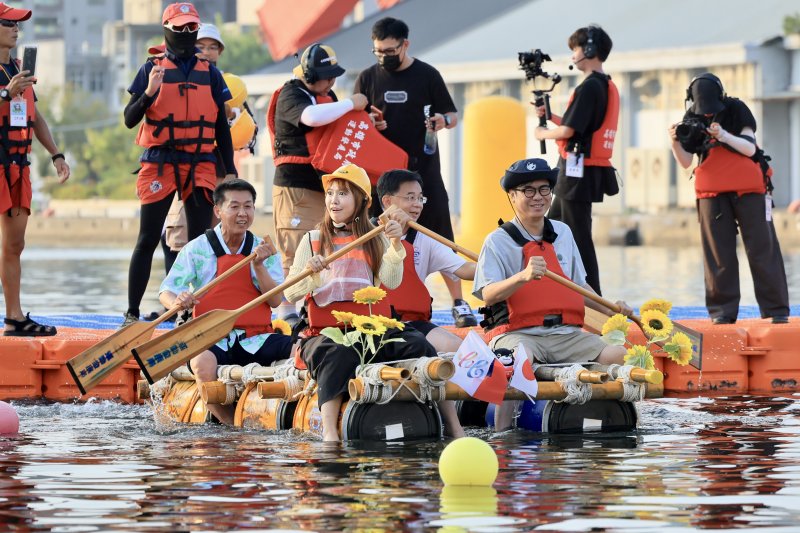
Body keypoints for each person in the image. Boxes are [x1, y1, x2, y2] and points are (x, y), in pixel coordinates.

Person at [473, 158, 632, 430]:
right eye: (528, 190)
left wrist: (612, 309)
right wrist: (522, 277)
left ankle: (617, 419)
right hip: (518, 334)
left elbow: (580, 288)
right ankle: (502, 434)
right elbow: (487, 294)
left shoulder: (563, 232)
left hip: (565, 335)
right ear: (512, 196)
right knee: (516, 361)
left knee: (618, 354)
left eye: (544, 189)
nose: (538, 197)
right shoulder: (496, 240)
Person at [284, 164, 437, 442]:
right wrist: (311, 273)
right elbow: (291, 294)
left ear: (362, 201)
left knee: (421, 345)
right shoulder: (312, 239)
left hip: (373, 329)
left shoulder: (374, 237)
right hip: (328, 334)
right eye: (330, 193)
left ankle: (450, 423)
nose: (333, 200)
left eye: (342, 194)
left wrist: (394, 244)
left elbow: (391, 282)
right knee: (340, 354)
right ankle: (330, 431)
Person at [354, 17, 478, 329]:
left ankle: (459, 302)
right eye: (379, 52)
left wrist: (442, 122)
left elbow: (453, 114)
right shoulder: (367, 78)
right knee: (380, 236)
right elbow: (356, 123)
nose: (385, 57)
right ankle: (378, 296)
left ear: (405, 45)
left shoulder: (427, 75)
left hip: (424, 171)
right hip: (382, 175)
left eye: (391, 50)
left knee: (441, 235)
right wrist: (373, 125)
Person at [122, 2, 236, 327]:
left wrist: (229, 172)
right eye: (180, 27)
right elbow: (130, 119)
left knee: (201, 240)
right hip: (160, 160)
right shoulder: (151, 69)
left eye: (192, 27)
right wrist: (148, 92)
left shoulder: (210, 73)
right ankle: (131, 314)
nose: (187, 33)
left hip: (200, 160)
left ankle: (196, 309)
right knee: (147, 237)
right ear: (167, 28)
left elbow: (221, 128)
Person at [159, 179, 292, 424]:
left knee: (299, 348)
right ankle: (230, 423)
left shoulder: (263, 249)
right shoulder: (196, 249)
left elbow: (275, 301)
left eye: (248, 206)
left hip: (257, 337)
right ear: (218, 210)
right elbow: (165, 292)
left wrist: (259, 266)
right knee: (202, 361)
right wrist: (178, 301)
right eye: (234, 206)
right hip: (211, 338)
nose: (243, 213)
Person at [668, 73, 789, 325]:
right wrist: (675, 142)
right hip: (712, 193)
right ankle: (722, 313)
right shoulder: (691, 117)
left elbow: (750, 148)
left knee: (761, 250)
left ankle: (776, 310)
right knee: (717, 255)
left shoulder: (737, 109)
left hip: (750, 191)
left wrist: (722, 135)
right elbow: (686, 162)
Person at [268, 42, 368, 326]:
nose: (332, 82)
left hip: (323, 186)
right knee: (294, 248)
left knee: (324, 247)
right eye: (327, 76)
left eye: (335, 76)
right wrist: (351, 103)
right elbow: (310, 118)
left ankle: (315, 306)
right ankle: (286, 314)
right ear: (310, 76)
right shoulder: (292, 94)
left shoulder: (326, 95)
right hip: (294, 187)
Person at [377, 169, 474, 437]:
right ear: (387, 201)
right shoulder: (366, 234)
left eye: (420, 198)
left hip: (413, 322)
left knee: (456, 347)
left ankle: (450, 420)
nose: (417, 205)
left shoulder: (425, 239)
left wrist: (502, 268)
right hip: (375, 323)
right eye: (409, 197)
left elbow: (463, 269)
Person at [0, 2, 70, 336]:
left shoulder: (18, 68)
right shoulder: (9, 80)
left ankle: (14, 318)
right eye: (9, 23)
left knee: (15, 245)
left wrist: (56, 155)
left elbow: (35, 117)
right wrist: (5, 93)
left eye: (17, 25)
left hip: (18, 166)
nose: (16, 29)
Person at [533, 25, 620, 296]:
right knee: (553, 227)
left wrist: (542, 132)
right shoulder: (603, 84)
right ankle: (555, 290)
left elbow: (569, 132)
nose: (573, 56)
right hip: (583, 170)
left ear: (590, 50)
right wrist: (553, 118)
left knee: (577, 235)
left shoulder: (590, 87)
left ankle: (593, 299)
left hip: (577, 172)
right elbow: (577, 126)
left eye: (576, 49)